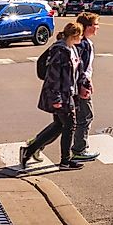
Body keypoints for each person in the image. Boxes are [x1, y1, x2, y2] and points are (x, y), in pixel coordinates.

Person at [20, 22, 87, 171]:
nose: (82, 37)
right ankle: (65, 161)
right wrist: (56, 98)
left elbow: (79, 71)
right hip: (61, 95)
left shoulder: (73, 49)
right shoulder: (60, 51)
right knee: (70, 125)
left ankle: (29, 150)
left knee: (59, 125)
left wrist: (85, 84)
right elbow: (53, 77)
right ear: (74, 35)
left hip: (69, 94)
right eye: (80, 35)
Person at [71, 12, 100, 161]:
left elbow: (86, 68)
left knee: (64, 123)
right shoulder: (84, 44)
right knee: (86, 116)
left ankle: (33, 146)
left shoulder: (81, 42)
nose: (97, 27)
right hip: (79, 87)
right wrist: (84, 85)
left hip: (76, 86)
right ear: (87, 27)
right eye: (95, 24)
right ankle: (79, 150)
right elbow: (80, 68)